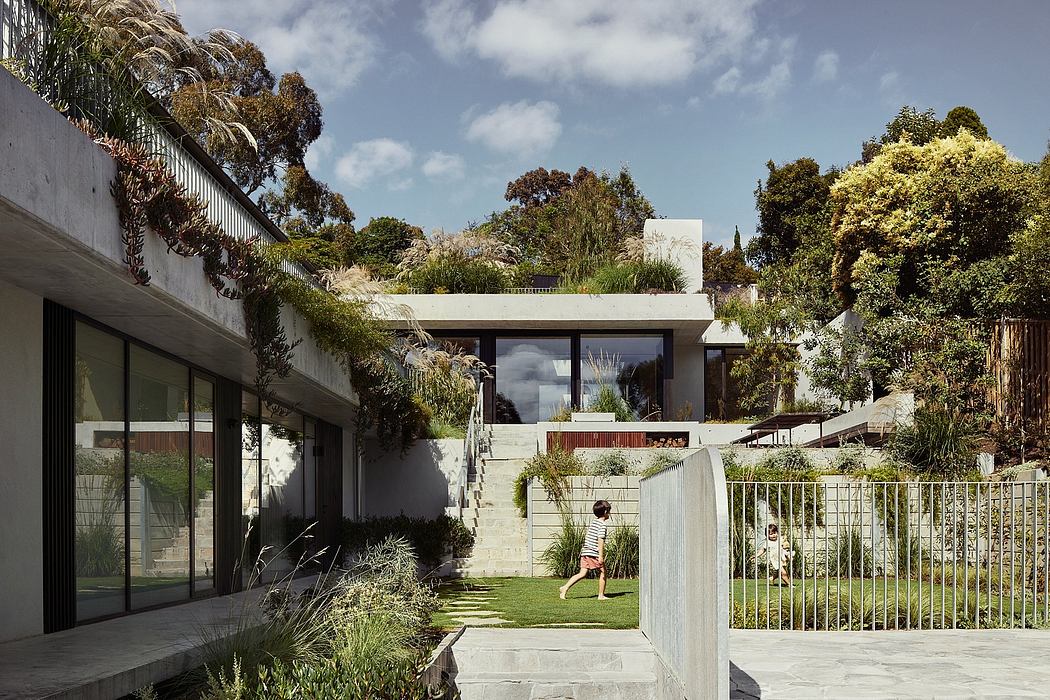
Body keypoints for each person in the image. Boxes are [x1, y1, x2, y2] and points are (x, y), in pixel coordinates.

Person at [559, 500, 612, 600]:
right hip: (593, 553)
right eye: (609, 511)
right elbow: (600, 540)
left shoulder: (594, 523)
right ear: (605, 512)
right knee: (603, 572)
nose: (609, 513)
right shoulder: (602, 525)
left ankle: (565, 588)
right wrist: (600, 555)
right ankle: (601, 595)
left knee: (582, 573)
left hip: (585, 552)